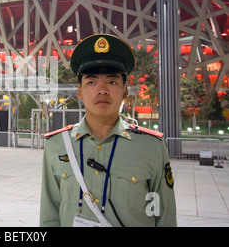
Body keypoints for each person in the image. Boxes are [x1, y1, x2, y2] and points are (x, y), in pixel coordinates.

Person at [40, 34, 176, 227]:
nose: (102, 90)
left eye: (112, 82)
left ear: (125, 91)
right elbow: (50, 215)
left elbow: (165, 216)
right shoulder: (57, 144)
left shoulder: (151, 146)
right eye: (92, 82)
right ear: (79, 90)